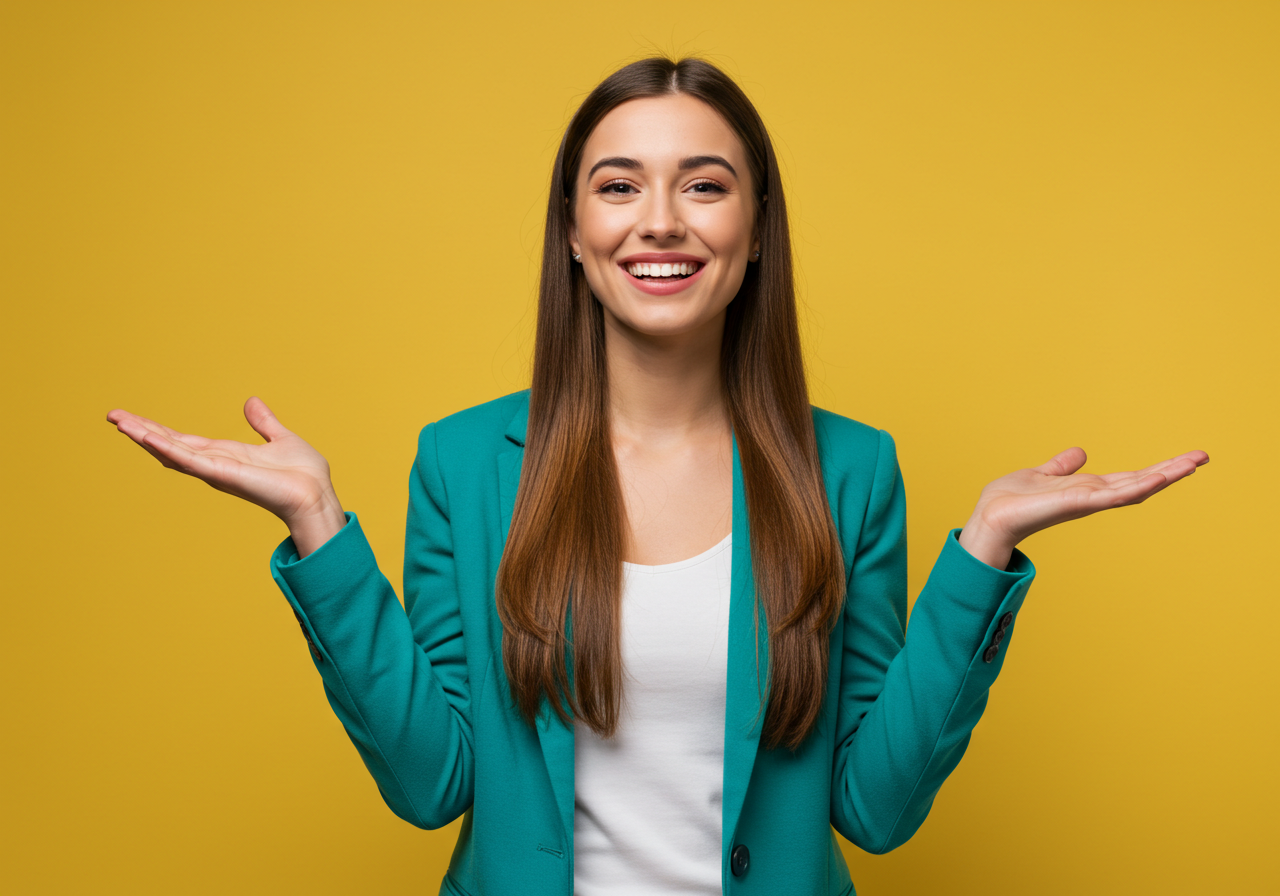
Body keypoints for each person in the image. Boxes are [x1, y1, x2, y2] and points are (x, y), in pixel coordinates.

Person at [106, 56, 1207, 896]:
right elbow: (433, 782)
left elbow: (873, 809)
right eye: (619, 185)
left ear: (757, 230)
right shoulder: (463, 463)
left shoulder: (852, 469)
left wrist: (982, 554)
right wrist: (318, 527)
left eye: (705, 185)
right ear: (574, 233)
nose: (661, 221)